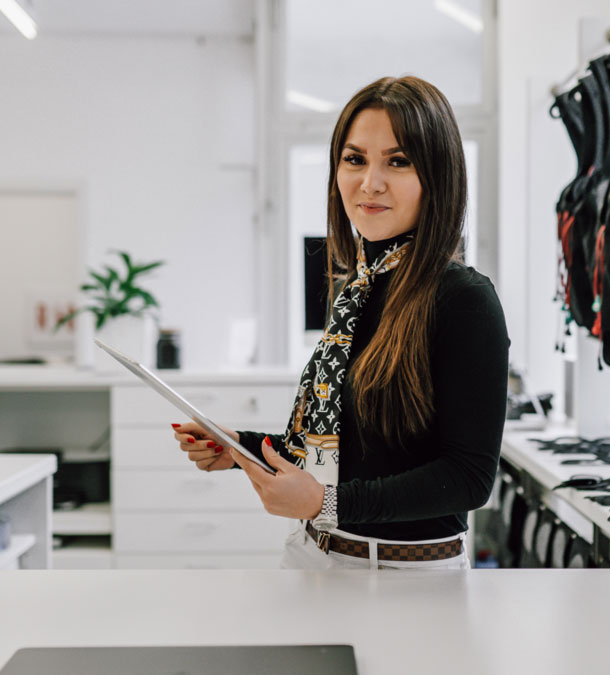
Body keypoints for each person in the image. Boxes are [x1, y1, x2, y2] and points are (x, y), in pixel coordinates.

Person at [171, 76, 509, 570]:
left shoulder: (463, 298)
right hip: (315, 555)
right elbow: (339, 444)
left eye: (398, 161)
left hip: (406, 576)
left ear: (437, 175)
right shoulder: (357, 289)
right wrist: (239, 447)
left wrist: (325, 505)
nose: (370, 183)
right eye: (354, 160)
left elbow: (468, 478)